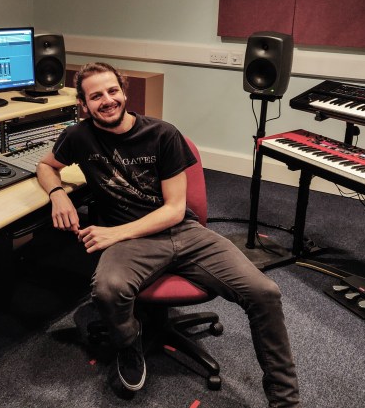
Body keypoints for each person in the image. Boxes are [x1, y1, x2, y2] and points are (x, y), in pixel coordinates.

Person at [36, 62, 300, 407]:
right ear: (83, 105)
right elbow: (46, 165)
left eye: (113, 91)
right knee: (107, 290)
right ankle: (129, 343)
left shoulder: (162, 134)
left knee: (265, 292)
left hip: (180, 232)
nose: (108, 100)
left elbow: (175, 210)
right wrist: (57, 194)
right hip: (131, 243)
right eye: (96, 96)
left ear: (124, 92)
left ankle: (284, 401)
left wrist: (114, 233)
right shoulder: (78, 137)